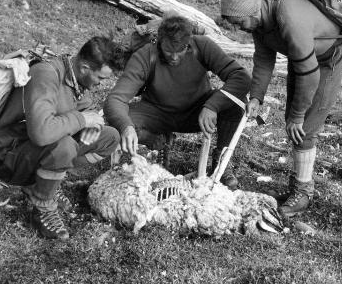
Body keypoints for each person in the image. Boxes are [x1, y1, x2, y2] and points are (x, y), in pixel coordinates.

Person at [220, 0, 342, 216]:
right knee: (293, 120)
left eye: (239, 23)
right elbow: (264, 60)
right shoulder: (260, 21)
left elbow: (309, 75)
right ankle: (296, 187)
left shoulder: (288, 19)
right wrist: (256, 96)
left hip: (327, 60)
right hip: (302, 59)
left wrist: (299, 115)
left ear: (252, 11)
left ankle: (303, 193)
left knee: (304, 127)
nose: (239, 29)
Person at [0, 36, 120, 240]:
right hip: (9, 154)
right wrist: (81, 120)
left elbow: (86, 108)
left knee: (109, 137)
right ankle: (42, 208)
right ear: (84, 67)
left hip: (32, 149)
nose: (100, 84)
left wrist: (93, 124)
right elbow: (42, 134)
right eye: (100, 78)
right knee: (63, 147)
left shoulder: (74, 76)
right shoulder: (46, 74)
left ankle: (45, 182)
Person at [103, 13, 251, 190]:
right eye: (167, 51)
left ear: (188, 43)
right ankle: (156, 141)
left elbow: (241, 77)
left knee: (235, 104)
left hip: (197, 111)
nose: (173, 57)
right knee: (116, 119)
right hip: (156, 112)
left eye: (180, 50)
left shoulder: (202, 46)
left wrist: (212, 105)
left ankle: (220, 163)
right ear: (159, 42)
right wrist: (126, 126)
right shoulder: (145, 55)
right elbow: (116, 99)